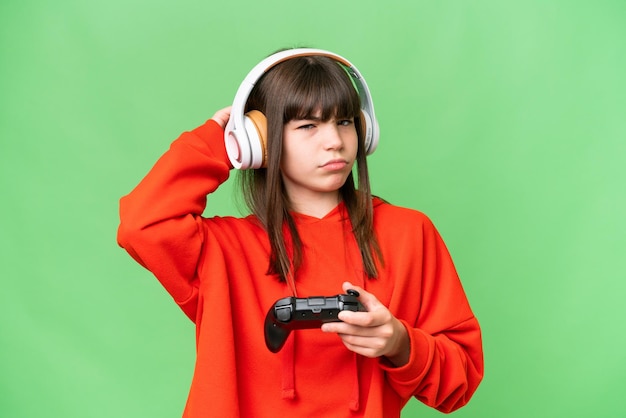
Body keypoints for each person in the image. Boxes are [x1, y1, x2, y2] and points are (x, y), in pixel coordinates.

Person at [117, 48, 483, 417]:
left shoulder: (408, 233)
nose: (335, 141)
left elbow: (460, 381)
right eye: (308, 126)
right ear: (259, 141)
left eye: (344, 122)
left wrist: (401, 343)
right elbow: (142, 224)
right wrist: (219, 143)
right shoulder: (222, 251)